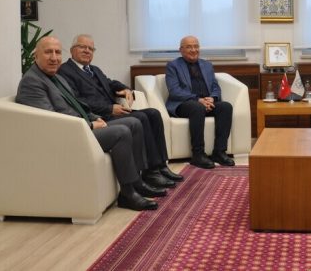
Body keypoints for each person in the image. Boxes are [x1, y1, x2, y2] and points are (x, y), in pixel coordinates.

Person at [16, 36, 161, 211]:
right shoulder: (32, 82)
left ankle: (137, 182)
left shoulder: (55, 77)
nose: (54, 58)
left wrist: (94, 117)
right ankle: (127, 193)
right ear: (35, 56)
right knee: (121, 132)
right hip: (67, 134)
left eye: (57, 52)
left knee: (134, 123)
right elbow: (51, 120)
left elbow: (78, 105)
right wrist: (90, 125)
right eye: (48, 52)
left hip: (80, 126)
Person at [59, 34, 183, 189]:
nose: (87, 51)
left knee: (153, 113)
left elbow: (110, 83)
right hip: (100, 117)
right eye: (82, 47)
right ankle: (150, 172)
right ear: (72, 50)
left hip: (114, 112)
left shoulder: (94, 69)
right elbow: (78, 101)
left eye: (91, 48)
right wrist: (109, 108)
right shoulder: (64, 71)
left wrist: (125, 89)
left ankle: (161, 165)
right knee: (141, 117)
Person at [165, 35, 235, 169]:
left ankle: (219, 152)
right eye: (189, 47)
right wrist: (198, 99)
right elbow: (174, 91)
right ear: (181, 50)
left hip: (206, 102)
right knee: (197, 107)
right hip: (184, 104)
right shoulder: (173, 66)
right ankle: (198, 154)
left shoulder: (207, 65)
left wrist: (212, 98)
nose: (193, 50)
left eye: (196, 46)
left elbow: (215, 86)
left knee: (226, 107)